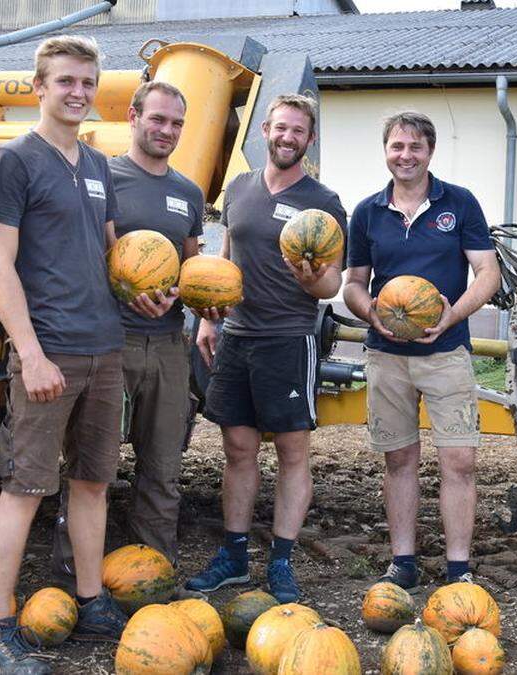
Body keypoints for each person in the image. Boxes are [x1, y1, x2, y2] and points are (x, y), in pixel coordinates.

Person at [0, 35, 128, 675]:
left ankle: (89, 601)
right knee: (26, 485)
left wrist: (147, 293)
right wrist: (29, 354)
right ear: (39, 86)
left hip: (104, 347)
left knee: (92, 482)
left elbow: (113, 257)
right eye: (65, 81)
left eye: (87, 82)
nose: (78, 92)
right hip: (49, 352)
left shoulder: (96, 165)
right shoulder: (13, 160)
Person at [185, 94, 347, 603]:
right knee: (237, 449)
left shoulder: (324, 202)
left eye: (297, 131)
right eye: (280, 128)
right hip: (237, 336)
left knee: (292, 452)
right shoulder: (238, 189)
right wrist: (209, 320)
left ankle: (281, 559)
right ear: (265, 132)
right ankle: (233, 555)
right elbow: (226, 256)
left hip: (288, 338)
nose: (287, 137)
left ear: (310, 139)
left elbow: (333, 286)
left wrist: (314, 276)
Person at [342, 111, 501, 593]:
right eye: (397, 146)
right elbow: (353, 284)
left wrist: (452, 315)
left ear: (430, 151)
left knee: (459, 461)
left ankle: (458, 569)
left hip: (446, 351)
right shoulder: (368, 211)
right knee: (399, 460)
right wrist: (373, 313)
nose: (405, 155)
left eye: (415, 147)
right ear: (385, 151)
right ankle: (403, 562)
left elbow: (487, 274)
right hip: (386, 355)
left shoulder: (460, 203)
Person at [51, 80, 203, 577]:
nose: (167, 130)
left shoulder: (188, 192)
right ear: (134, 117)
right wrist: (121, 289)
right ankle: (75, 574)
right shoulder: (102, 176)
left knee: (163, 468)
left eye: (177, 123)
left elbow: (192, 267)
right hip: (107, 343)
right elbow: (82, 257)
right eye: (158, 119)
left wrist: (200, 301)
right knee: (90, 466)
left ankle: (152, 573)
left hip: (167, 345)